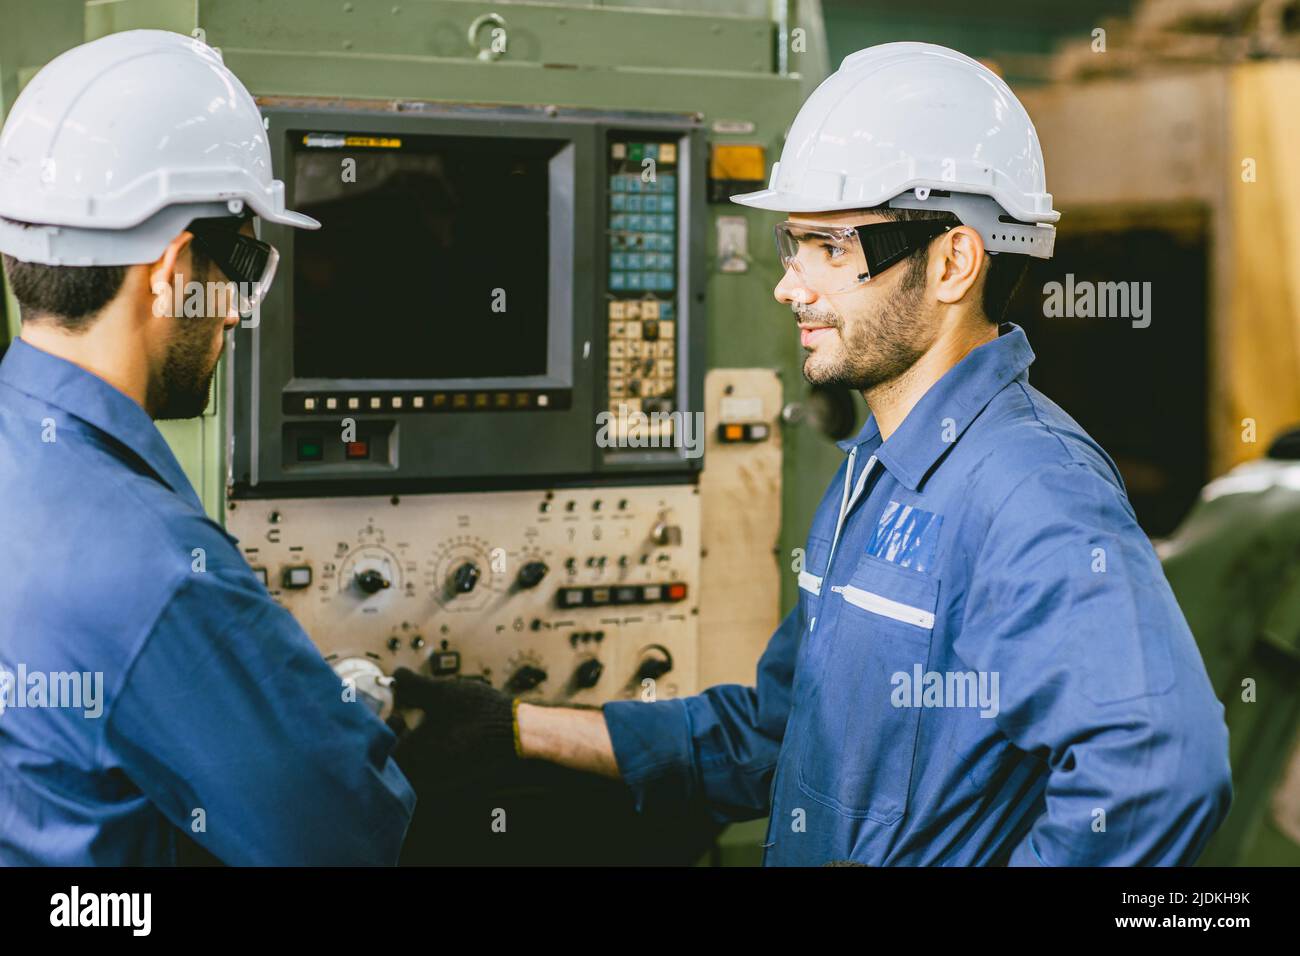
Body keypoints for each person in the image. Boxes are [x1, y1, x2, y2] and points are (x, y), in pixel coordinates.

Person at [393, 42, 1233, 865]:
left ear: (952, 262)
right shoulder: (872, 470)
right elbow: (772, 736)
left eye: (832, 248)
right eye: (796, 245)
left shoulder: (1030, 488)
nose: (790, 286)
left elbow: (1162, 775)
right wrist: (512, 729)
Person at [0, 30, 413, 864]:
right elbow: (344, 836)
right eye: (240, 267)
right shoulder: (155, 567)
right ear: (173, 269)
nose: (234, 311)